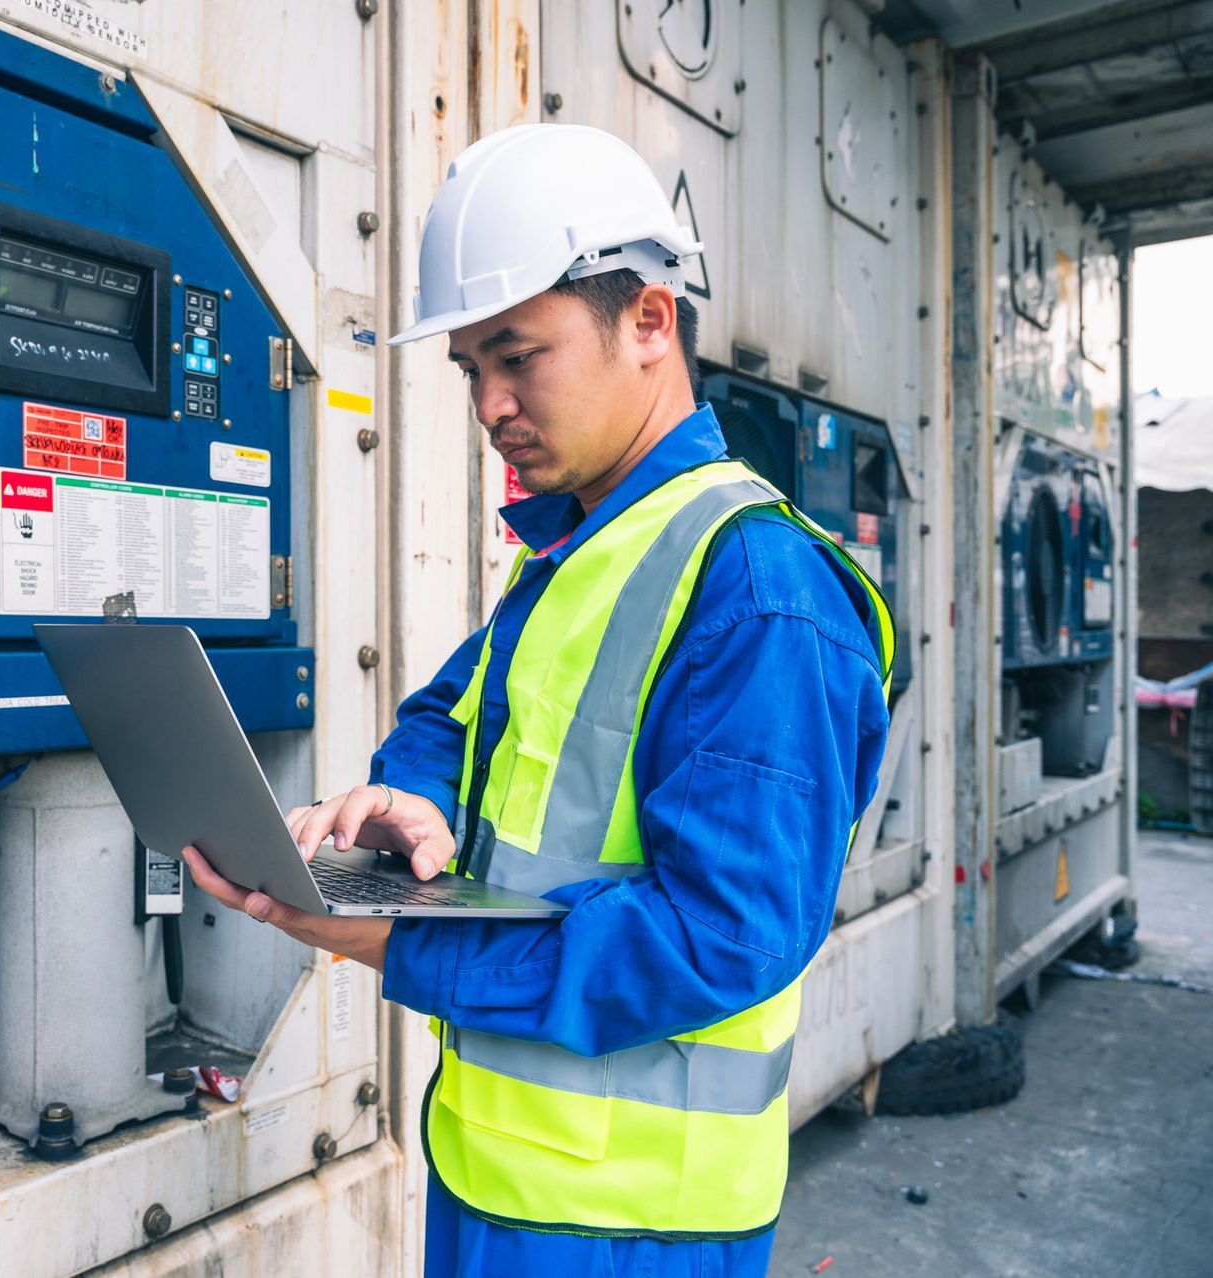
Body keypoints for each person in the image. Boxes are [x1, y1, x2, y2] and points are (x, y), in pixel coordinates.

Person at [182, 123, 893, 1276]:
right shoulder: (582, 549)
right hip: (497, 1184)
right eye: (472, 369)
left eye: (520, 356)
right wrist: (405, 805)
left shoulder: (761, 594)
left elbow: (722, 936)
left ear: (651, 321)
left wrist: (391, 945)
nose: (490, 404)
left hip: (634, 1232)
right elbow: (446, 715)